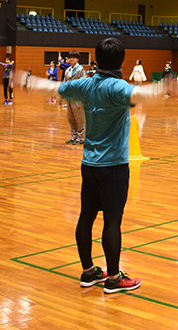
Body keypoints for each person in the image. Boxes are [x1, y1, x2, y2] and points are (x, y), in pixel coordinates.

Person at [23, 37, 169, 293]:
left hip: (89, 165)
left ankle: (89, 271)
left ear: (97, 59)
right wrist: (165, 88)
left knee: (86, 217)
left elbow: (53, 88)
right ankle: (113, 278)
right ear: (121, 61)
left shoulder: (85, 84)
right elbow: (139, 94)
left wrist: (26, 81)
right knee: (112, 221)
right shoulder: (117, 86)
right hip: (113, 166)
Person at [64, 51, 87, 144]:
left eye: (74, 57)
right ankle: (74, 137)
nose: (72, 59)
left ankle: (81, 137)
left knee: (80, 118)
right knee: (71, 118)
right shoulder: (68, 70)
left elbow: (84, 83)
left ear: (78, 59)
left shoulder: (81, 70)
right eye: (70, 57)